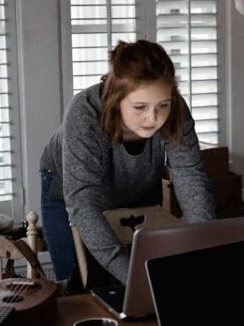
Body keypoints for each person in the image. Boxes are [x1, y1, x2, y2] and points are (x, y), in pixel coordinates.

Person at [39, 39, 214, 286]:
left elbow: (191, 178)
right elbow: (83, 205)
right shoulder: (83, 113)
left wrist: (203, 251)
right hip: (70, 193)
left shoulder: (175, 110)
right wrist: (134, 279)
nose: (153, 118)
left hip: (137, 185)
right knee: (76, 288)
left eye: (162, 105)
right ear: (115, 98)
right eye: (140, 107)